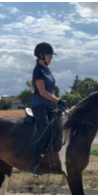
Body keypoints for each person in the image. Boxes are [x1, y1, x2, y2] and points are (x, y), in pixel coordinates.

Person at [27, 42, 66, 176]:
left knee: (58, 128)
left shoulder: (47, 70)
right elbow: (42, 92)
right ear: (41, 55)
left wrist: (58, 102)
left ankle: (52, 161)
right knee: (44, 130)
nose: (51, 58)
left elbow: (50, 91)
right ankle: (33, 163)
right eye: (49, 55)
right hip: (39, 106)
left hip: (48, 105)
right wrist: (58, 100)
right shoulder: (38, 70)